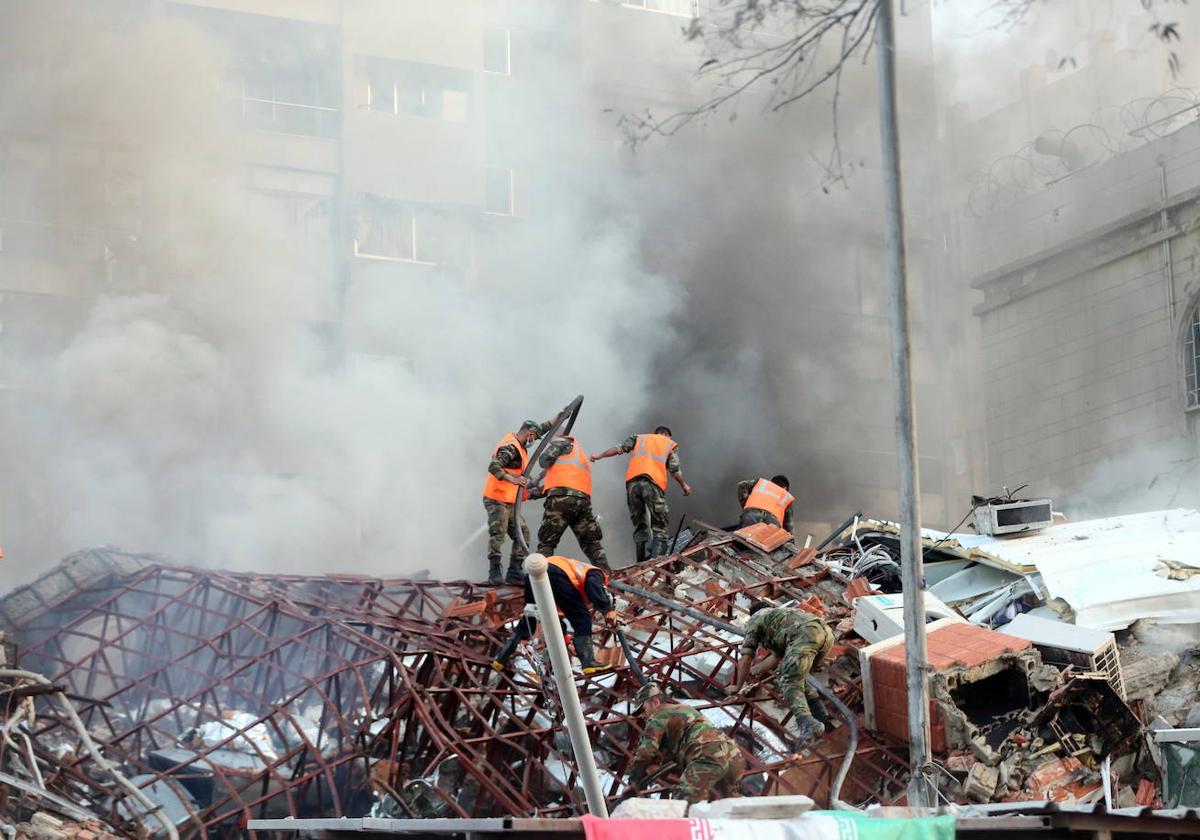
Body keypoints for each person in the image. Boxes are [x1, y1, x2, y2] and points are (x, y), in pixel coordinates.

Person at [726, 602, 834, 750]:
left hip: (804, 636)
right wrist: (754, 670)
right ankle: (824, 721)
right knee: (799, 678)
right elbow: (775, 658)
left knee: (788, 680)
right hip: (826, 635)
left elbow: (746, 657)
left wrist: (737, 686)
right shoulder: (781, 616)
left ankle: (808, 723)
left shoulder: (756, 619)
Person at [490, 554, 617, 676]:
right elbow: (593, 586)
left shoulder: (569, 581)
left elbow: (556, 619)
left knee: (531, 616)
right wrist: (608, 609)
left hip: (534, 575)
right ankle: (588, 662)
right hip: (554, 573)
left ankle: (501, 658)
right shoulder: (597, 573)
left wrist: (567, 642)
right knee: (581, 617)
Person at [625, 683, 745, 804]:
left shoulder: (658, 716)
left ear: (655, 702)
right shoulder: (686, 709)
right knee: (727, 806)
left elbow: (646, 752)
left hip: (707, 755)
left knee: (682, 804)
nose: (642, 715)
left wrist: (633, 782)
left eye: (643, 709)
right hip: (733, 754)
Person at [591, 426, 691, 562]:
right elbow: (675, 470)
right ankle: (655, 564)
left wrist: (599, 456)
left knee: (639, 525)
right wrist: (684, 485)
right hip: (652, 483)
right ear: (668, 436)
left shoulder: (639, 438)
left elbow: (618, 449)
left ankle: (640, 562)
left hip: (632, 484)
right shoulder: (669, 444)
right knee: (660, 526)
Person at [482, 419, 552, 586]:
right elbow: (494, 466)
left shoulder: (520, 448)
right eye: (534, 437)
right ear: (528, 433)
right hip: (497, 498)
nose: (534, 441)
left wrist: (562, 414)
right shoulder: (511, 447)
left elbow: (544, 427)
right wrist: (512, 479)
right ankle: (494, 573)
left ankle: (514, 571)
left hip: (510, 501)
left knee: (523, 533)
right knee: (498, 534)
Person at [531, 434, 611, 573]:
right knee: (591, 543)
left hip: (562, 501)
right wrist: (531, 494)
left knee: (547, 543)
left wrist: (553, 444)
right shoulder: (578, 453)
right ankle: (607, 578)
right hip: (582, 502)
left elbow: (544, 460)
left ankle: (543, 583)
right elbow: (559, 483)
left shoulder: (562, 442)